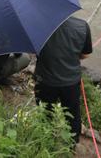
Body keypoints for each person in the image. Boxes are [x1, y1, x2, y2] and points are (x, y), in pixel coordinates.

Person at [34, 15, 93, 143]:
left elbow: (34, 49)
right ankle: (72, 144)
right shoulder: (82, 26)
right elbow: (85, 54)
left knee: (44, 112)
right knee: (72, 114)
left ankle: (44, 140)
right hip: (71, 82)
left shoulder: (38, 24)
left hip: (44, 81)